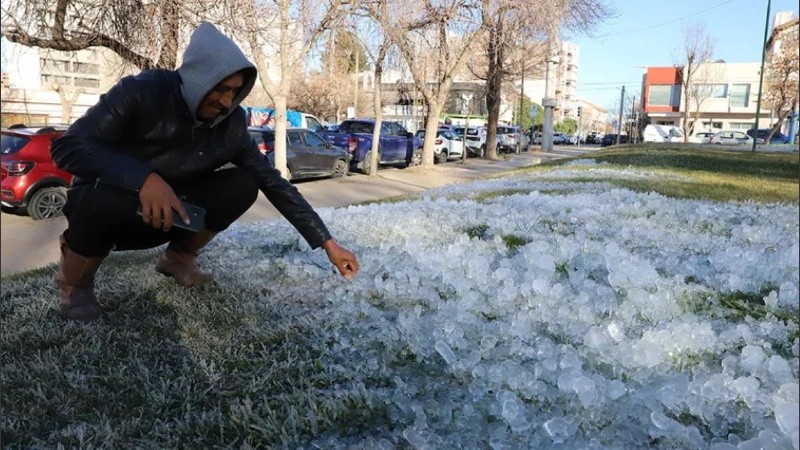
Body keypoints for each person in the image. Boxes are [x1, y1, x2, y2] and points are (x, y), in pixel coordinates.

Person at [51, 22, 359, 321]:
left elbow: (274, 183)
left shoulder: (232, 125)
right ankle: (75, 285)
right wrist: (142, 179)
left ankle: (178, 259)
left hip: (174, 216)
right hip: (115, 209)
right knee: (93, 200)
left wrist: (327, 243)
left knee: (244, 183)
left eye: (235, 91)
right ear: (199, 77)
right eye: (221, 88)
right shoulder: (141, 91)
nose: (227, 101)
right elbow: (68, 146)